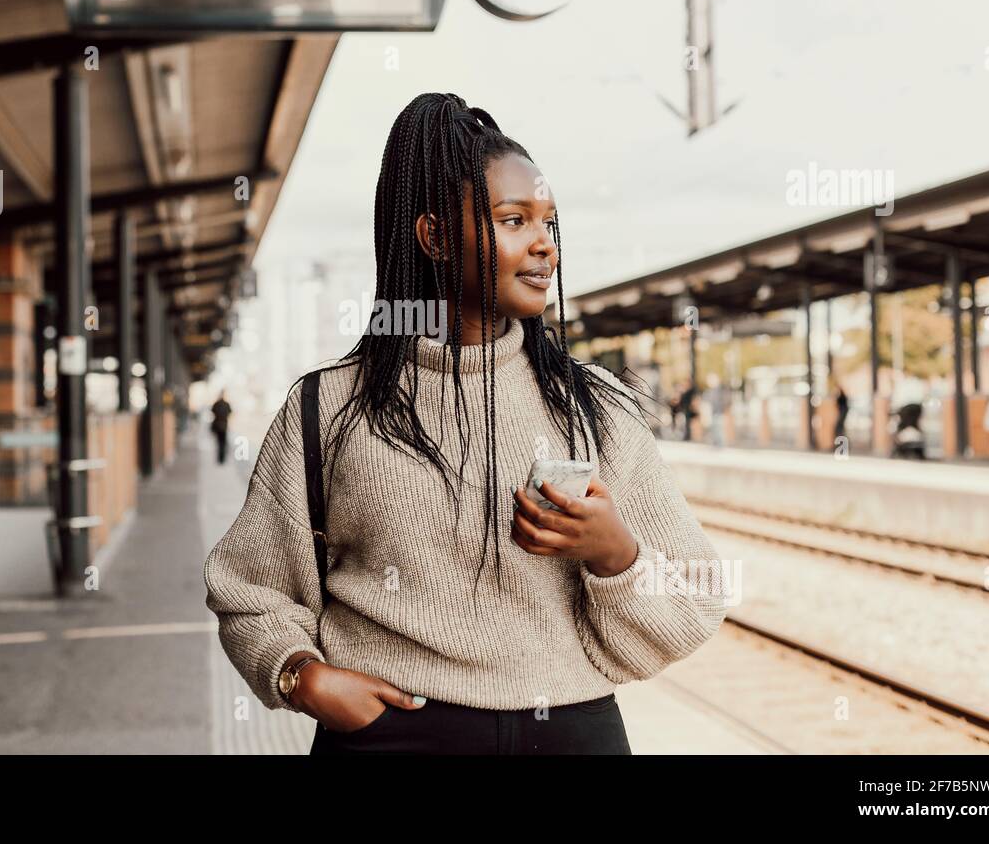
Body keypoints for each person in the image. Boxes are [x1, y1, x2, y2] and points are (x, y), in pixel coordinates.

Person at [203, 93, 729, 755]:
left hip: (570, 735)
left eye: (550, 224)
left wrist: (614, 553)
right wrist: (299, 675)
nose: (544, 246)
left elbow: (696, 598)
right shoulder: (327, 409)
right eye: (514, 220)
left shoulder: (593, 407)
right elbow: (248, 585)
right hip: (392, 736)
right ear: (436, 237)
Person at [209, 391, 231, 464]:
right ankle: (222, 459)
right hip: (224, 426)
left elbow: (212, 411)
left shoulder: (216, 404)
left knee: (219, 443)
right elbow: (230, 412)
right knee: (223, 443)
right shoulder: (226, 404)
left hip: (218, 425)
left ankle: (219, 458)